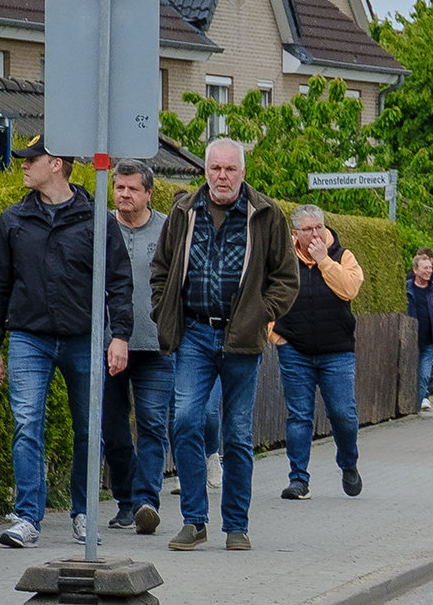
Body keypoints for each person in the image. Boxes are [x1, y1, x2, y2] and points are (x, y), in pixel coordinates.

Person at [0, 135, 134, 548]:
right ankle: (28, 517)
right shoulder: (14, 219)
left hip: (84, 337)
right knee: (27, 423)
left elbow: (119, 283)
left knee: (90, 429)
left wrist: (119, 335)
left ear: (57, 165)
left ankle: (84, 514)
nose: (24, 165)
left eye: (32, 159)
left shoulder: (96, 219)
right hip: (30, 337)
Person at [152, 136, 300, 552]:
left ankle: (236, 524)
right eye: (215, 168)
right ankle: (194, 520)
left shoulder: (266, 214)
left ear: (242, 173)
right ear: (205, 171)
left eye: (230, 169)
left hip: (242, 338)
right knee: (184, 420)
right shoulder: (184, 211)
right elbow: (161, 267)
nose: (222, 176)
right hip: (194, 333)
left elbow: (287, 278)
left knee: (235, 433)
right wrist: (162, 308)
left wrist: (261, 312)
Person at [271, 205, 367, 502]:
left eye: (319, 228)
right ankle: (298, 479)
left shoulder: (342, 256)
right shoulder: (281, 260)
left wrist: (324, 260)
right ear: (294, 234)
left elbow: (349, 290)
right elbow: (264, 294)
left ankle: (348, 463)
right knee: (299, 417)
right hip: (294, 349)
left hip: (336, 351)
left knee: (344, 415)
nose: (315, 234)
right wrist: (273, 333)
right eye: (308, 230)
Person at [97, 161, 172, 535]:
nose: (124, 195)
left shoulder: (166, 230)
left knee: (153, 425)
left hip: (157, 347)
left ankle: (146, 501)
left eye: (132, 189)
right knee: (113, 428)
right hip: (108, 344)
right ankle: (125, 502)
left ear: (148, 193)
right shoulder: (100, 226)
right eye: (119, 188)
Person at [407, 248, 433, 411]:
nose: (429, 271)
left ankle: (416, 406)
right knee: (409, 374)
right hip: (409, 340)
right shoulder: (406, 288)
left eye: (430, 268)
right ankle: (408, 405)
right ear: (416, 270)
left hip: (429, 340)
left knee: (423, 375)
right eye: (425, 268)